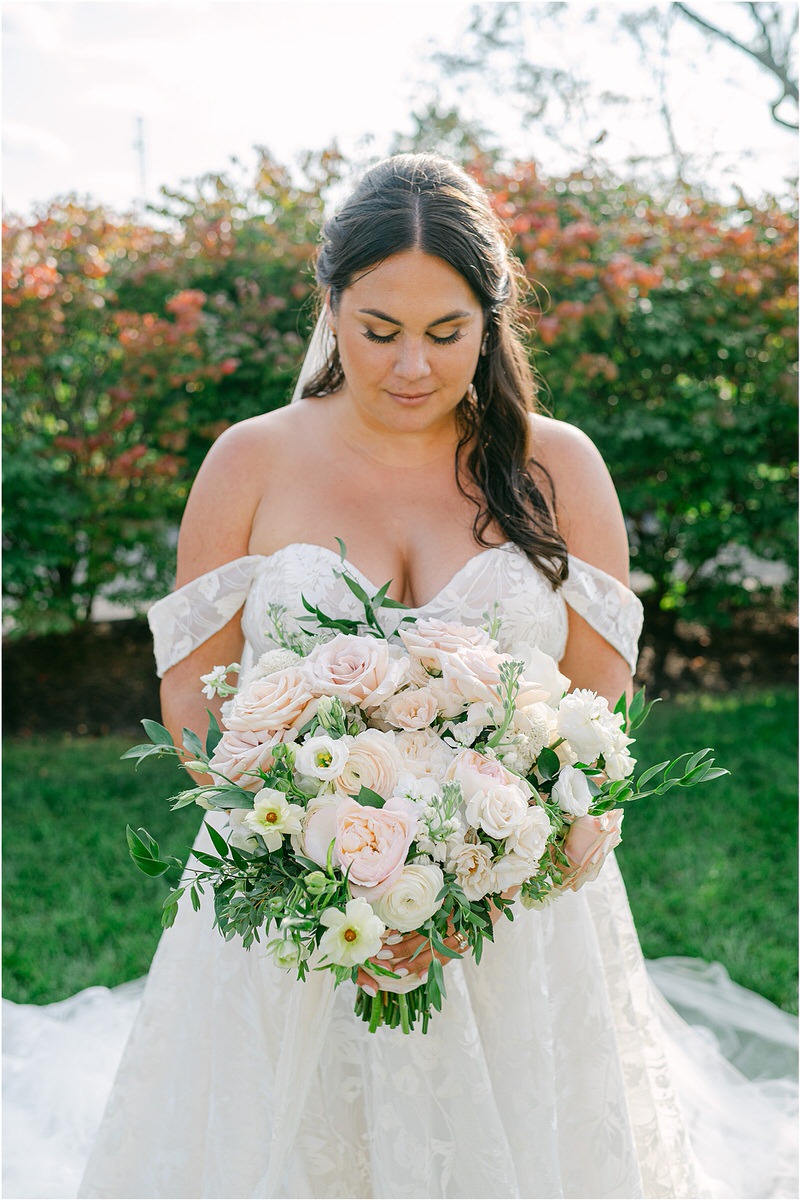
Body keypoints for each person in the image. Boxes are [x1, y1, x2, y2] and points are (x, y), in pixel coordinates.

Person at [36, 153, 795, 1198]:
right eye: (377, 330)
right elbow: (190, 699)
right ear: (330, 307)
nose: (409, 367)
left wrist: (524, 840)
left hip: (513, 911)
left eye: (445, 333)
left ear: (490, 318)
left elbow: (596, 706)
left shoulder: (557, 466)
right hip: (295, 908)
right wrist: (308, 853)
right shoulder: (249, 463)